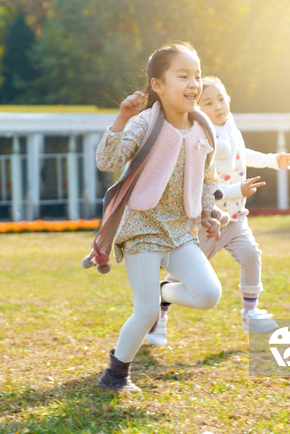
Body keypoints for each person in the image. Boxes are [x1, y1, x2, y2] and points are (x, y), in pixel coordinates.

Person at [85, 42, 223, 392]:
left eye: (197, 75)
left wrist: (208, 211)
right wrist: (121, 120)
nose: (194, 83)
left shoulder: (202, 128)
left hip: (179, 230)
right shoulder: (145, 123)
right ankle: (115, 376)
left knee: (208, 294)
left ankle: (166, 292)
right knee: (145, 312)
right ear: (158, 86)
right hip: (142, 229)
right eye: (183, 76)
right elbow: (107, 161)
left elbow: (208, 176)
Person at [146, 76, 290, 345]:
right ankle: (161, 307)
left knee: (251, 254)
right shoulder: (200, 139)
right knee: (183, 274)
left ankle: (250, 312)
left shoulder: (231, 129)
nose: (217, 107)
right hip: (209, 222)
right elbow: (208, 188)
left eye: (221, 99)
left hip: (236, 218)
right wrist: (239, 190)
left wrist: (274, 161)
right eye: (208, 103)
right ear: (197, 109)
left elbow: (242, 154)